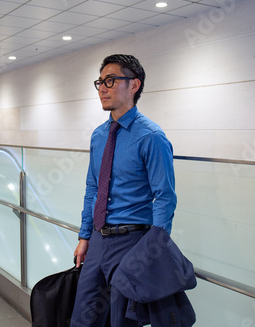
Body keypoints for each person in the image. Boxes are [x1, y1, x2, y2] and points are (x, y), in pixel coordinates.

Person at [71, 54, 177, 326]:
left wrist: (154, 249)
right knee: (83, 318)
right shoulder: (99, 135)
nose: (103, 88)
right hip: (97, 241)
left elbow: (164, 197)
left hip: (132, 243)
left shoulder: (151, 137)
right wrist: (84, 236)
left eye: (111, 80)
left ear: (134, 85)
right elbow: (92, 187)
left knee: (122, 321)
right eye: (100, 82)